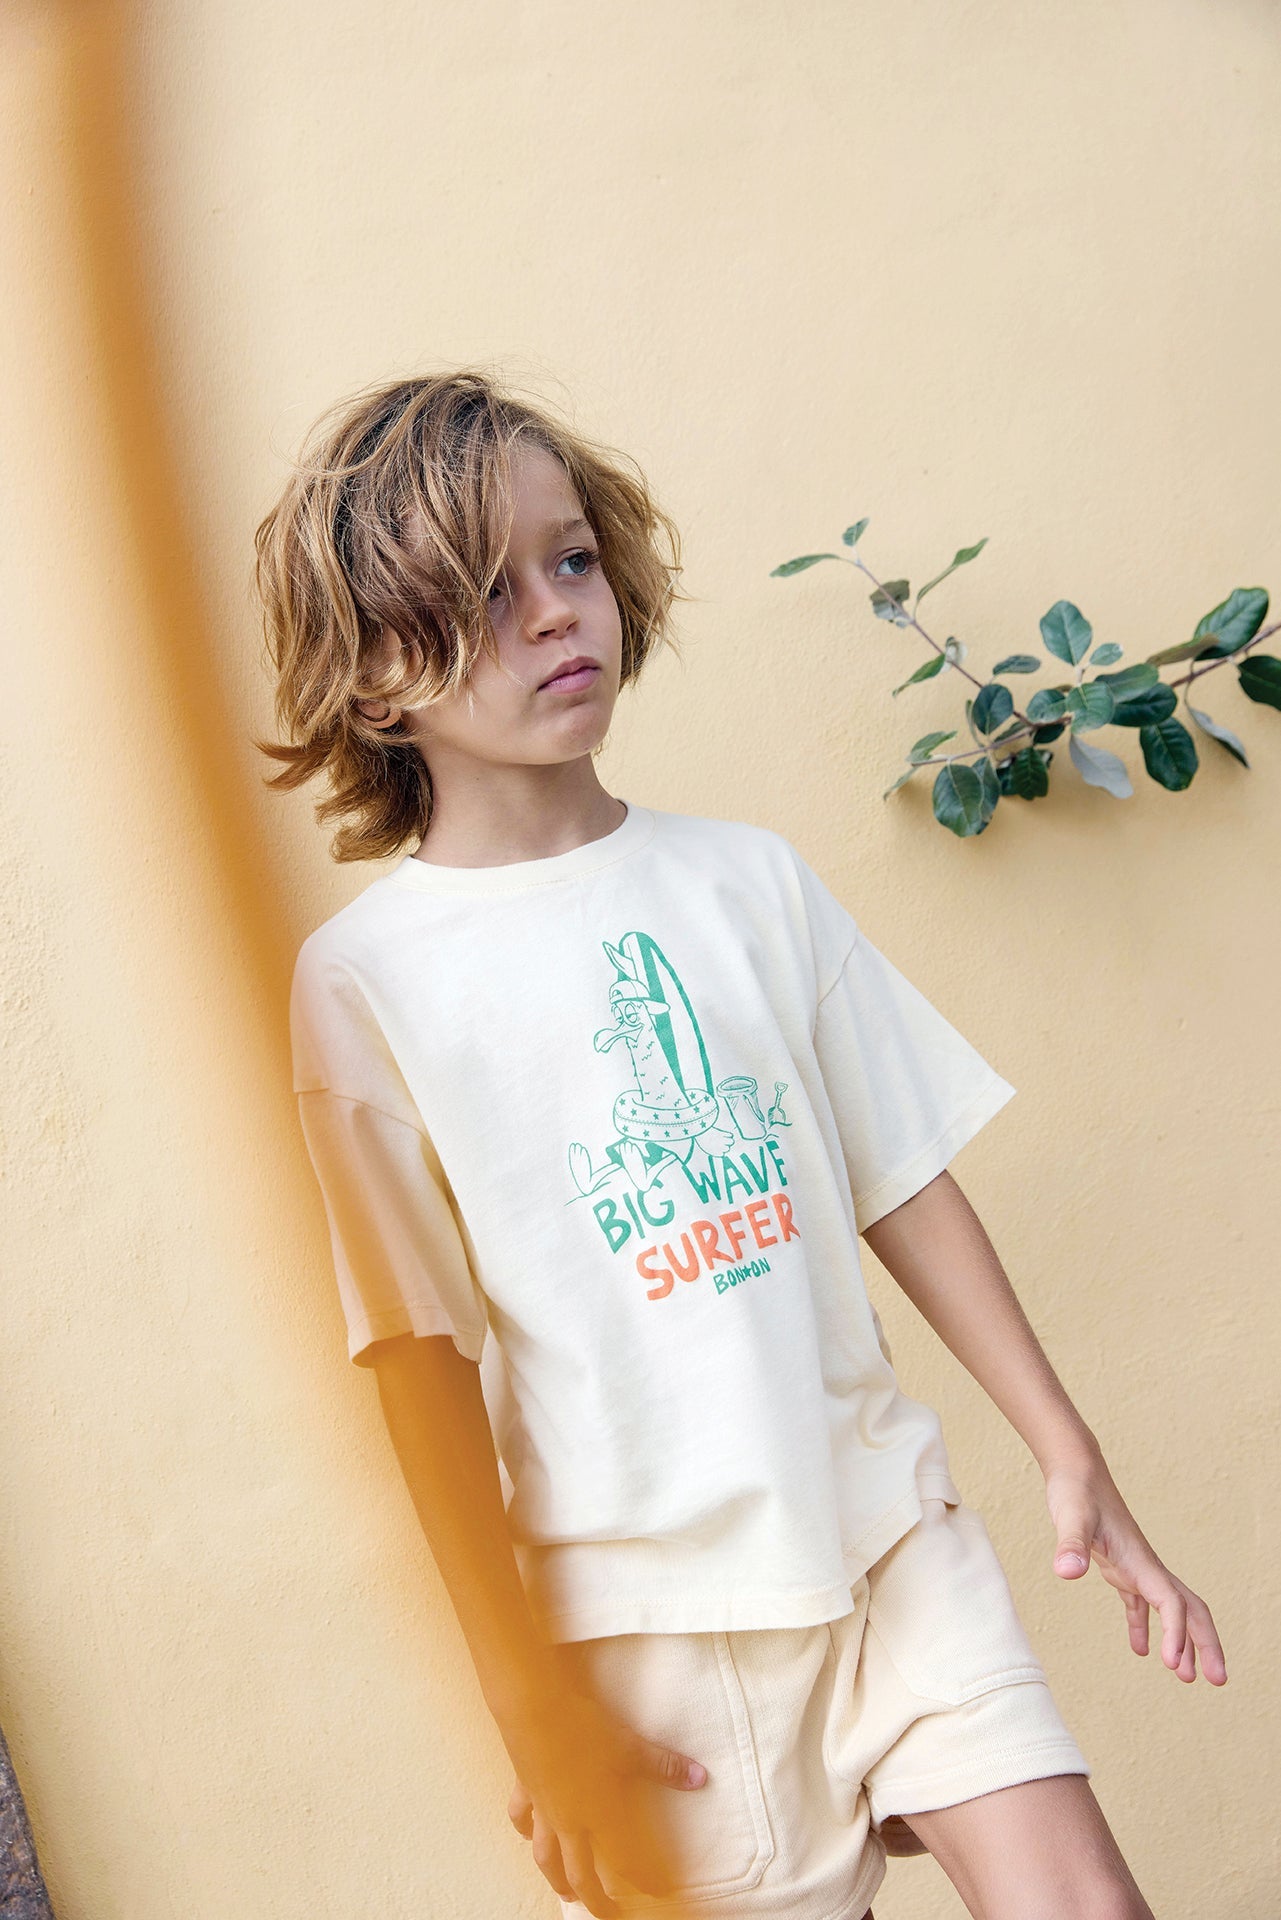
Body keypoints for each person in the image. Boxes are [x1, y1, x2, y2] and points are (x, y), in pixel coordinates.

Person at [255, 368, 1226, 1920]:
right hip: (648, 1641)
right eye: (483, 594)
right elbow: (416, 1358)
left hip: (883, 1530)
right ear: (377, 679)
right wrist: (525, 1702)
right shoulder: (369, 984)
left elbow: (894, 1169)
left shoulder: (745, 884)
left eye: (569, 560)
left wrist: (1064, 1447)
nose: (555, 614)